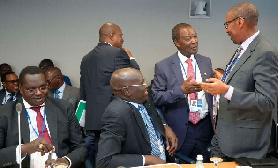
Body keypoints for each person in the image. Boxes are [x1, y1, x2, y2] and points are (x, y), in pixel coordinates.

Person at [200, 2, 278, 160]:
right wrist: (225, 81)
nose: (226, 30)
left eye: (227, 24)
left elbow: (267, 100)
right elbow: (245, 83)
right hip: (225, 137)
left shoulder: (265, 52)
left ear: (240, 21)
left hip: (245, 146)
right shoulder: (242, 49)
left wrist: (226, 90)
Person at [0, 66, 87, 167]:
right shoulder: (5, 113)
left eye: (42, 87)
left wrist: (65, 161)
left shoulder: (64, 108)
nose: (38, 93)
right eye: (31, 89)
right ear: (20, 88)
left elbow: (81, 148)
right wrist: (24, 148)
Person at [151, 23, 214, 163]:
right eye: (188, 38)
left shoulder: (206, 62)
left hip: (205, 126)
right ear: (176, 42)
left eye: (195, 36)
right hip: (180, 129)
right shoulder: (163, 66)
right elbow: (156, 98)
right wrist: (181, 90)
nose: (194, 41)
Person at [80, 22, 140, 167]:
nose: (123, 40)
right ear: (112, 35)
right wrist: (131, 59)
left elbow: (83, 90)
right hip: (115, 120)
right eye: (121, 36)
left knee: (98, 160)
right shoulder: (118, 54)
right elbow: (134, 80)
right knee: (114, 161)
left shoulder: (86, 58)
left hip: (93, 122)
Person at [97, 68, 177, 168]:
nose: (146, 85)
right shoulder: (116, 113)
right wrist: (149, 159)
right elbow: (105, 161)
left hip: (168, 162)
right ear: (127, 91)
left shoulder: (142, 99)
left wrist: (165, 127)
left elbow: (156, 116)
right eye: (142, 83)